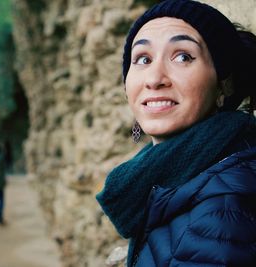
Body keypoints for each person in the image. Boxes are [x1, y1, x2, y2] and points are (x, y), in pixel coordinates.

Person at [96, 0, 256, 266]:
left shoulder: (223, 212)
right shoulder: (172, 171)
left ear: (223, 85)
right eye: (143, 59)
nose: (154, 78)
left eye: (183, 56)